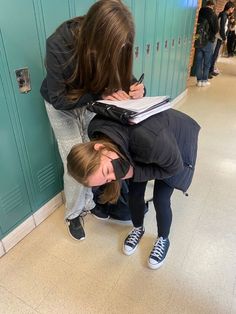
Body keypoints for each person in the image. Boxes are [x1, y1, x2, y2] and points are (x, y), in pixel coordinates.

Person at [40, 0, 145, 240]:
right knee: (75, 158)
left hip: (91, 99)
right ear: (96, 37)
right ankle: (74, 213)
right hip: (62, 104)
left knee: (95, 154)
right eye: (112, 48)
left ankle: (91, 202)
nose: (116, 53)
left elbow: (125, 77)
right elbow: (59, 99)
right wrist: (100, 95)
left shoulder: (113, 43)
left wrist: (138, 89)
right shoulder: (59, 43)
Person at [67, 109, 200, 269]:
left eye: (107, 172)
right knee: (134, 193)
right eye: (108, 179)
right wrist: (133, 172)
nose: (114, 177)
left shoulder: (152, 141)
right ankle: (138, 228)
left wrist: (136, 171)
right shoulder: (97, 133)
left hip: (174, 137)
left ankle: (163, 239)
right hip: (137, 143)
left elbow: (174, 167)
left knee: (161, 198)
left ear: (100, 147)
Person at [195, 0, 218, 87]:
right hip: (208, 41)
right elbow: (216, 29)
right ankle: (204, 80)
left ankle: (198, 81)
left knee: (198, 61)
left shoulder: (200, 12)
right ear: (212, 6)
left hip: (199, 39)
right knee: (207, 62)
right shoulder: (213, 15)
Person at [209, 1, 235, 76]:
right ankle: (210, 70)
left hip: (220, 37)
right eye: (233, 8)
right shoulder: (223, 15)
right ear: (230, 8)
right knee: (214, 54)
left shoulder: (225, 15)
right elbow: (222, 28)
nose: (233, 10)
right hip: (218, 37)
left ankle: (211, 69)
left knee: (216, 54)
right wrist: (224, 38)